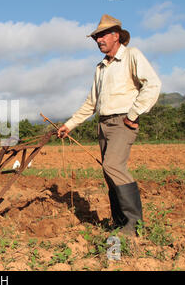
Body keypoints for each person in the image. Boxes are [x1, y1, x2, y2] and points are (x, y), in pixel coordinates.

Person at [57, 14, 162, 236]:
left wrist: (133, 115)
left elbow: (152, 85)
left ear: (116, 35)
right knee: (109, 173)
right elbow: (91, 103)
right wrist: (70, 124)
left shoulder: (132, 55)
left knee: (113, 166)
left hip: (123, 121)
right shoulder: (100, 68)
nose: (98, 40)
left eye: (102, 35)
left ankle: (134, 226)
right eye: (96, 37)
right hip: (103, 124)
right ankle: (120, 222)